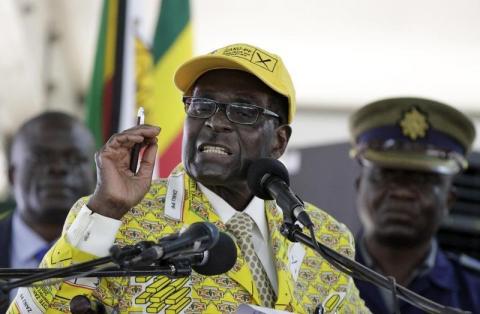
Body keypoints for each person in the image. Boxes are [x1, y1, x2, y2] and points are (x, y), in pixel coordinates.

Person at [9, 43, 369, 314]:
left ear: (279, 140)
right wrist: (106, 208)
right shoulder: (116, 216)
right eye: (202, 105)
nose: (216, 121)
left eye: (243, 110)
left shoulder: (323, 237)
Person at [349, 97, 480, 313]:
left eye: (422, 180)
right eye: (385, 175)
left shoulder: (474, 291)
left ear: (449, 199)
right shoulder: (312, 275)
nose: (401, 192)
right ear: (359, 185)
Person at [0, 111, 96, 311]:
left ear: (96, 175)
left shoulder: (125, 251)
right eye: (41, 157)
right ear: (12, 174)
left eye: (75, 159)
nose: (58, 168)